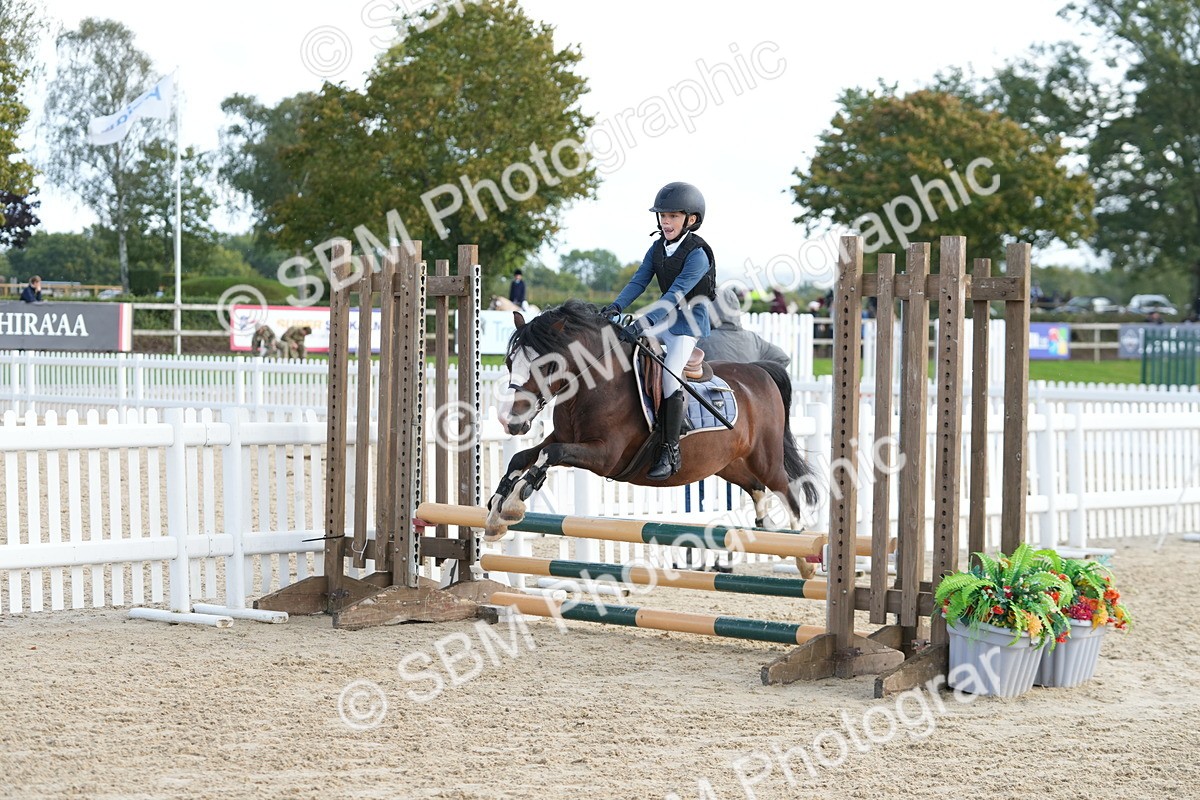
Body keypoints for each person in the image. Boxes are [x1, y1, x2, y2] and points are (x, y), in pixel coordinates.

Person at [599, 181, 716, 480]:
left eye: (673, 216)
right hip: (665, 318)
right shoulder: (657, 248)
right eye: (663, 215)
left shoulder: (697, 254)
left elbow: (675, 294)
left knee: (669, 375)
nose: (665, 221)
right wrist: (615, 307)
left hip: (688, 324)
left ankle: (670, 449)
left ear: (691, 219)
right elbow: (639, 281)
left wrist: (643, 322)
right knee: (623, 350)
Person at [697, 285, 790, 368]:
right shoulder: (754, 339)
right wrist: (759, 374)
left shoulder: (702, 341)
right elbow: (782, 358)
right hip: (751, 381)